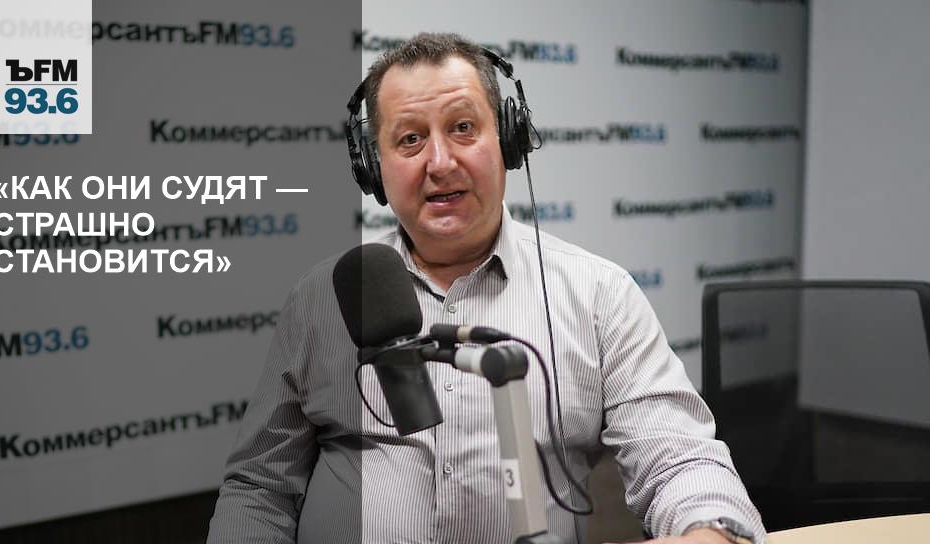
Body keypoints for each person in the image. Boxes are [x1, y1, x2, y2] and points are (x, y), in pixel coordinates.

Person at [208, 33, 766, 544]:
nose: (440, 161)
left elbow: (679, 459)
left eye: (463, 128)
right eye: (410, 139)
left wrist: (710, 532)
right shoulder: (323, 297)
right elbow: (260, 487)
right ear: (373, 168)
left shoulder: (599, 295)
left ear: (508, 140)